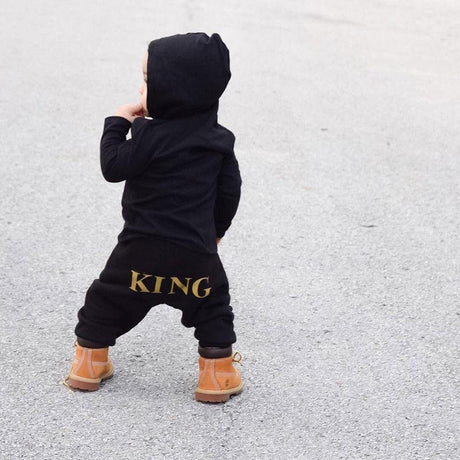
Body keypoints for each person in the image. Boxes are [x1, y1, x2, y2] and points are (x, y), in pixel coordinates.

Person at [64, 32, 243, 403]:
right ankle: (217, 372)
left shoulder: (147, 136)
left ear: (173, 89)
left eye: (148, 80)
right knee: (213, 305)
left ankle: (88, 362)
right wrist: (217, 231)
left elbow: (113, 167)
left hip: (137, 254)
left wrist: (118, 122)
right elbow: (229, 192)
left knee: (106, 299)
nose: (141, 88)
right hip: (195, 253)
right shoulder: (218, 141)